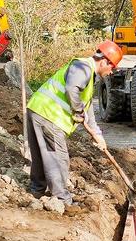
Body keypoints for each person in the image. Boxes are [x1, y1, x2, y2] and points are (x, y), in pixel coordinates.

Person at [26, 41, 123, 204]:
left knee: (42, 156)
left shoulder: (88, 78)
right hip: (50, 116)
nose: (111, 72)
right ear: (104, 61)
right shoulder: (83, 67)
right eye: (112, 67)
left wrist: (98, 136)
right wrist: (77, 111)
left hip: (38, 110)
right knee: (58, 157)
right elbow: (72, 89)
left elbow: (89, 113)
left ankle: (37, 190)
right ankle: (62, 199)